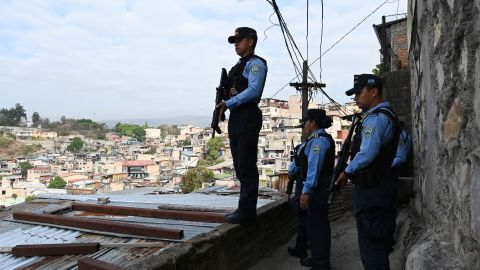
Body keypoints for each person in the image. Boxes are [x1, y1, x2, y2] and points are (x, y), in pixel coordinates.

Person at [336, 74, 400, 270]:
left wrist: (346, 171)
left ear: (373, 92)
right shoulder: (386, 116)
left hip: (373, 192)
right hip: (380, 188)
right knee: (377, 246)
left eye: (359, 93)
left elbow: (367, 154)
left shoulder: (375, 120)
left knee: (372, 249)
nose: (356, 98)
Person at [216, 27, 268, 224]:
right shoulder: (238, 66)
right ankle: (243, 208)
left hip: (247, 116)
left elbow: (254, 90)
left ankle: (247, 211)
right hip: (237, 117)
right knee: (239, 165)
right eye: (234, 41)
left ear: (251, 41)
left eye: (239, 40)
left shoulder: (256, 64)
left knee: (246, 165)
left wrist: (229, 103)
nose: (236, 44)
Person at [297, 109, 335, 270]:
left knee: (318, 227)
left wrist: (306, 191)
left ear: (313, 122)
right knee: (315, 226)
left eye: (306, 122)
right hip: (318, 189)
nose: (305, 125)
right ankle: (318, 258)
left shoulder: (318, 141)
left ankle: (322, 264)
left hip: (318, 190)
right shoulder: (316, 139)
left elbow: (314, 169)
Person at [287, 139, 309, 262]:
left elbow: (294, 168)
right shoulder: (319, 141)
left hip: (303, 185)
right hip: (308, 185)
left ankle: (301, 249)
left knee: (302, 219)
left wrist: (292, 173)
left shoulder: (305, 146)